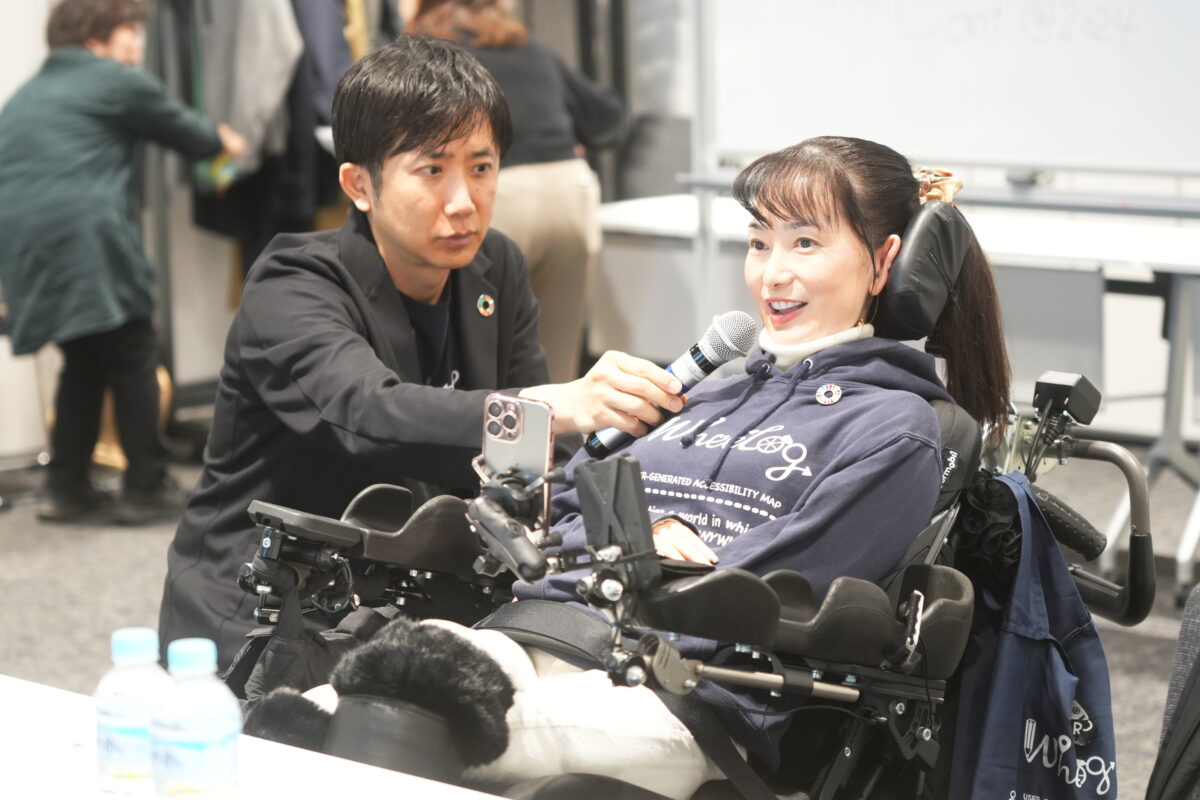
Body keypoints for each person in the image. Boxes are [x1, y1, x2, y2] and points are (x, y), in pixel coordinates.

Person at [297, 135, 1012, 799]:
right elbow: (562, 508)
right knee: (322, 711)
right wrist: (641, 537)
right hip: (541, 629)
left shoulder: (899, 430)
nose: (773, 273)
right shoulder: (705, 391)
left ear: (884, 262)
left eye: (805, 242)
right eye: (759, 242)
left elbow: (781, 587)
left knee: (407, 727)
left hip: (684, 692)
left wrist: (644, 560)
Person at [157, 35, 680, 669]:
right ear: (359, 184)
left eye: (481, 168)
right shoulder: (293, 282)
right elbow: (368, 413)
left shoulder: (496, 267)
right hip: (272, 608)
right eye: (432, 171)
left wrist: (636, 526)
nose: (463, 201)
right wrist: (548, 407)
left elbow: (544, 460)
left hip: (417, 597)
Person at [0, 0, 246, 524]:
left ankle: (67, 487)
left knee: (84, 360)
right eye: (129, 33)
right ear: (95, 39)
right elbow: (192, 133)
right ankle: (144, 486)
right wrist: (226, 142)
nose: (137, 45)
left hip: (26, 251)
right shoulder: (113, 80)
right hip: (89, 241)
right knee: (134, 352)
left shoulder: (25, 96)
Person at [405, 0, 625, 383]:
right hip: (567, 191)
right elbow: (607, 117)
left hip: (494, 193)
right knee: (557, 359)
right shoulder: (529, 46)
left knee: (478, 351)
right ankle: (558, 422)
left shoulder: (426, 53)